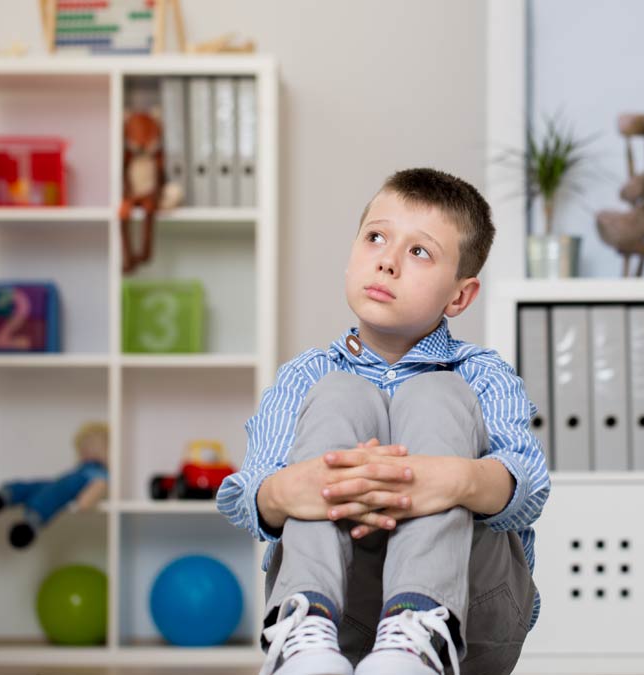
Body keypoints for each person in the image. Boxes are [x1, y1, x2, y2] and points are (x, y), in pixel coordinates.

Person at [217, 168, 550, 675]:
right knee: (339, 393)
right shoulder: (306, 376)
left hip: (471, 614)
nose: (387, 262)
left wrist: (457, 479)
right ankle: (305, 631)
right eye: (375, 237)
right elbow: (247, 495)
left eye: (419, 252)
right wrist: (288, 490)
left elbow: (530, 487)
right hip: (344, 605)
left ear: (459, 297)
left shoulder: (482, 375)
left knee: (436, 392)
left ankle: (419, 628)